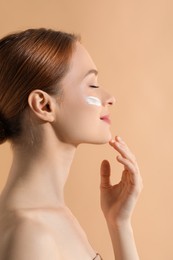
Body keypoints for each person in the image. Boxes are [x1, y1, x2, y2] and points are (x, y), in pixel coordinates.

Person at [0, 28, 143, 260]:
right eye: (92, 85)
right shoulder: (29, 235)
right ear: (44, 105)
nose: (110, 97)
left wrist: (119, 223)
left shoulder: (54, 214)